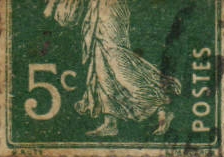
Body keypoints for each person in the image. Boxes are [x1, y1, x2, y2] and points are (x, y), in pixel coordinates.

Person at [47, 0, 178, 137]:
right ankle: (110, 122)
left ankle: (161, 105)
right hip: (98, 8)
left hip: (112, 8)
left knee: (117, 61)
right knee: (100, 63)